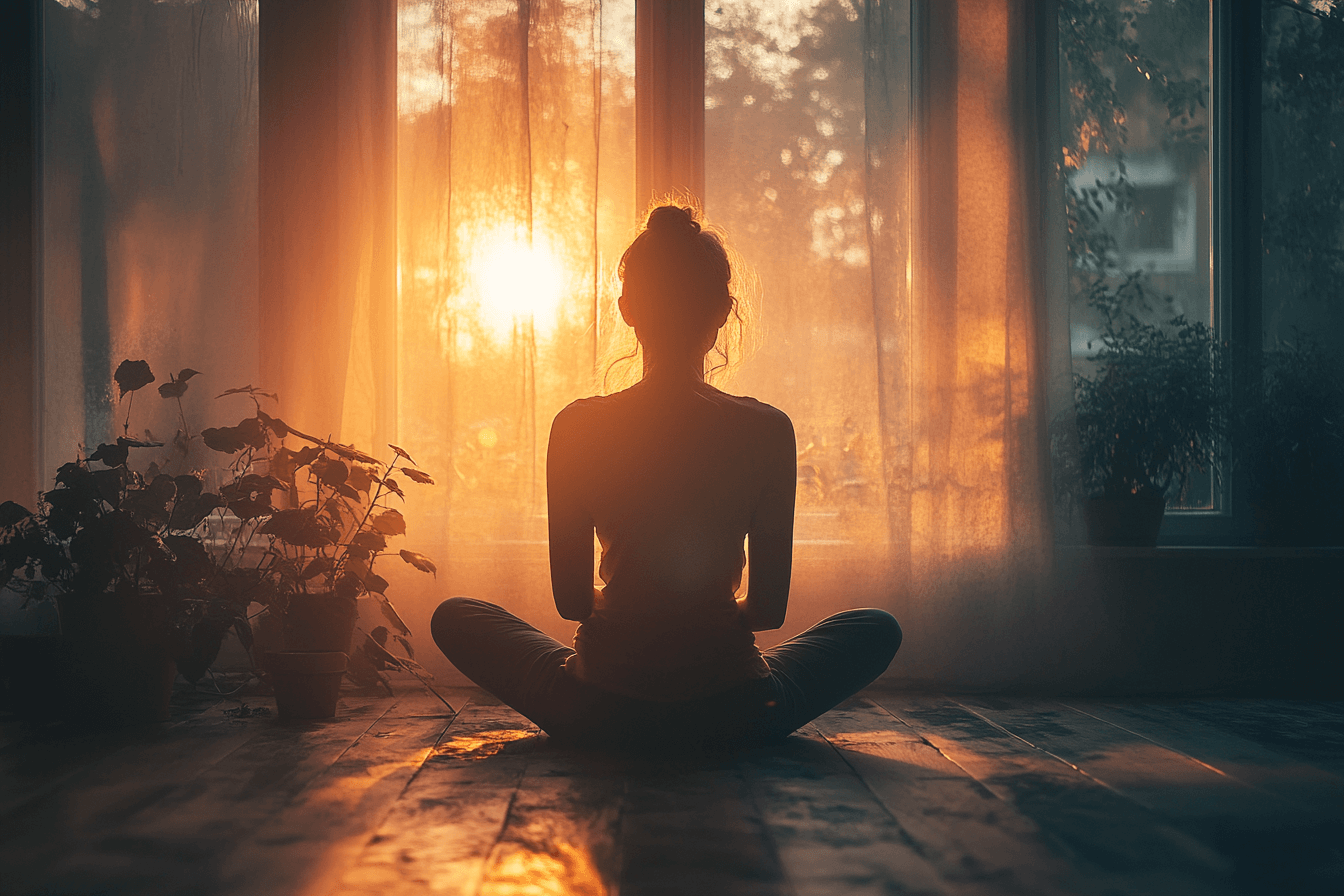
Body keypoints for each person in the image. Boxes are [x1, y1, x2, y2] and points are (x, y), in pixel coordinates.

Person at [432, 204, 901, 750]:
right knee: (875, 627)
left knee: (457, 616)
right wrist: (702, 625)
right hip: (737, 707)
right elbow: (769, 611)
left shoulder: (579, 425)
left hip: (599, 707)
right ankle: (718, 702)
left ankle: (625, 702)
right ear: (723, 310)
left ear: (628, 308)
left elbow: (574, 605)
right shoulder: (768, 430)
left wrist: (637, 617)